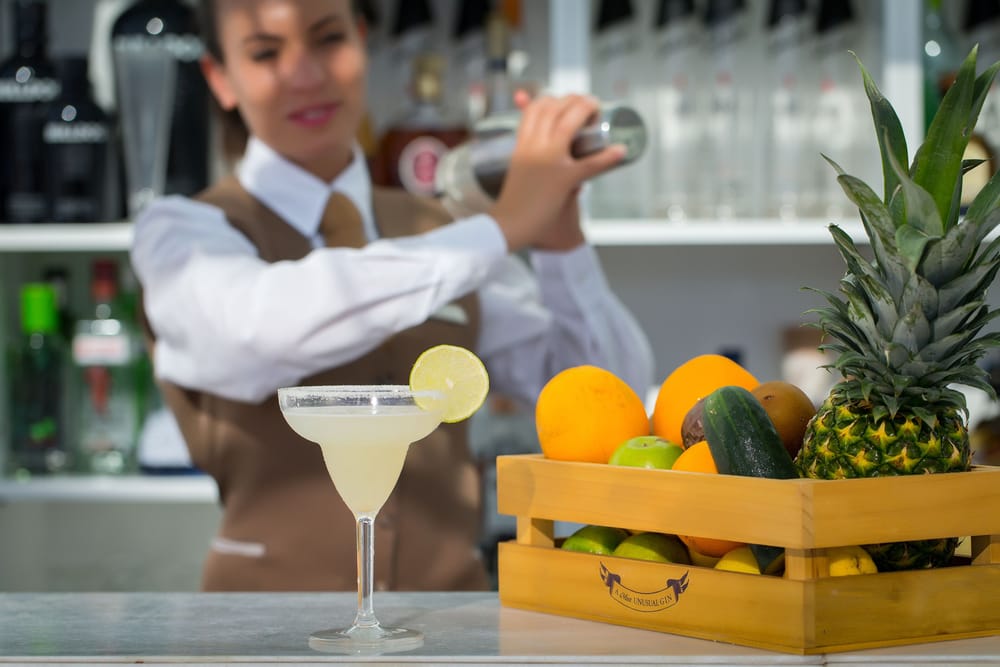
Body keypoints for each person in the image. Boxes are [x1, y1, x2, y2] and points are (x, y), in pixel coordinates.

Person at [130, 0, 654, 592]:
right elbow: (259, 327)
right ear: (220, 78)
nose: (305, 74)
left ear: (362, 43)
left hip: (450, 618)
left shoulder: (444, 228)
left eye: (328, 39)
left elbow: (608, 399)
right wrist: (504, 227)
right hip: (260, 622)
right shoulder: (182, 232)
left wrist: (559, 238)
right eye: (266, 53)